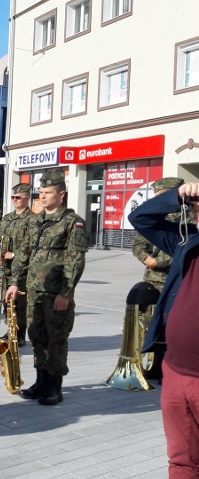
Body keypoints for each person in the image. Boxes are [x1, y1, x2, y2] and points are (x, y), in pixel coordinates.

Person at [129, 180, 199, 478]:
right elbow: (140, 218)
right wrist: (178, 197)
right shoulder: (188, 241)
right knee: (182, 463)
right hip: (175, 372)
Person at [6, 168, 87, 406]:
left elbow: (75, 261)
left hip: (56, 294)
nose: (43, 196)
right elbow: (22, 255)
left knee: (56, 339)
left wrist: (66, 292)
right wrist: (14, 282)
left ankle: (54, 386)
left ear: (61, 194)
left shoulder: (72, 223)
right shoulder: (35, 221)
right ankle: (41, 381)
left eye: (48, 192)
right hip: (34, 292)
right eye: (40, 192)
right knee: (37, 337)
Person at [131, 177, 187, 379]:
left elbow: (183, 248)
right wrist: (146, 259)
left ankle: (167, 368)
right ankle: (152, 367)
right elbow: (138, 243)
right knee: (149, 323)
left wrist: (159, 262)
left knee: (170, 326)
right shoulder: (153, 218)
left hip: (172, 282)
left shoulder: (186, 218)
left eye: (161, 197)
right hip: (151, 280)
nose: (157, 201)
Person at [0, 183, 33, 346]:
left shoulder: (32, 220)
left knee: (20, 303)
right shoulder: (7, 218)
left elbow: (30, 246)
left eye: (18, 197)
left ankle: (20, 335)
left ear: (27, 199)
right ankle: (10, 330)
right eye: (13, 197)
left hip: (22, 269)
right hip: (5, 269)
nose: (15, 200)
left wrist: (13, 254)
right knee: (6, 301)